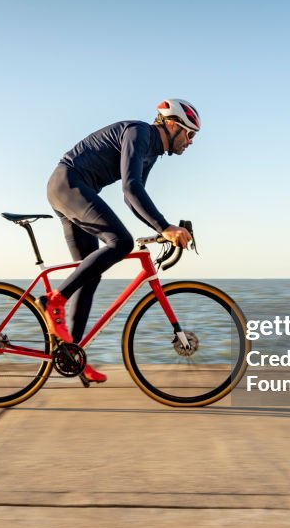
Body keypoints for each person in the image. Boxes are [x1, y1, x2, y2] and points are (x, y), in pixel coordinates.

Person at [42, 99, 200, 384]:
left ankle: (72, 356)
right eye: (190, 134)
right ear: (173, 125)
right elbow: (130, 189)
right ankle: (54, 300)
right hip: (69, 183)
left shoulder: (151, 152)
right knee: (121, 242)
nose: (190, 142)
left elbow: (135, 199)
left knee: (89, 277)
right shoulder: (140, 133)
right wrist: (164, 227)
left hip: (73, 189)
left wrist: (159, 229)